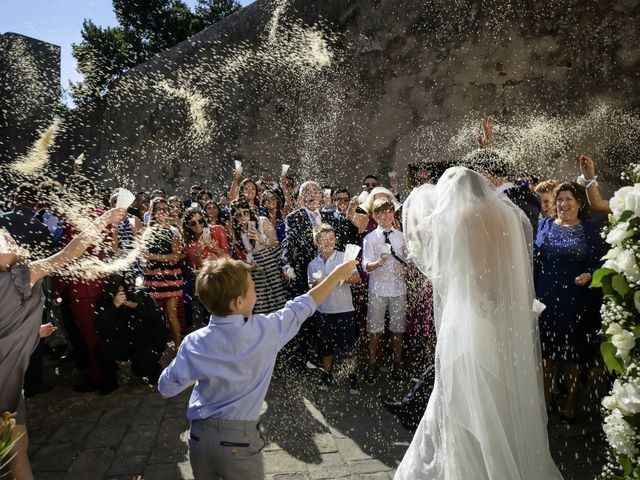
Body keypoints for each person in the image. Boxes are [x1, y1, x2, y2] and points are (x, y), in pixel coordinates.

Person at [396, 166, 562, 479]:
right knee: (499, 387)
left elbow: (425, 240)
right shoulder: (507, 215)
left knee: (462, 387)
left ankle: (469, 464)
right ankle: (506, 456)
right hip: (502, 313)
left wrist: (419, 197)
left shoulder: (461, 216)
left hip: (470, 311)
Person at [158, 256, 358, 480]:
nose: (257, 293)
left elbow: (166, 387)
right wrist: (337, 275)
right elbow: (305, 305)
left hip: (198, 439)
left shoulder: (193, 342)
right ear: (238, 302)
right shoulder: (265, 330)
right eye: (252, 289)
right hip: (238, 442)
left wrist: (199, 367)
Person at [0, 208, 124, 480]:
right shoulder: (19, 276)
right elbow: (69, 253)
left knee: (14, 451)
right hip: (4, 389)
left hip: (7, 387)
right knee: (16, 453)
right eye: (5, 239)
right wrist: (105, 219)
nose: (11, 239)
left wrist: (33, 332)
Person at [534, 182, 606, 423]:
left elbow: (601, 260)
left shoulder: (590, 228)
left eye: (569, 199)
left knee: (573, 352)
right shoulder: (544, 224)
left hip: (577, 295)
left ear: (579, 203)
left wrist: (590, 274)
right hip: (546, 295)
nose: (563, 204)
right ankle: (545, 399)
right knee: (546, 351)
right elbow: (535, 258)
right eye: (560, 200)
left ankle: (571, 402)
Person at [307, 224, 361, 394]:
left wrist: (338, 278)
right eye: (324, 239)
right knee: (326, 346)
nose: (329, 242)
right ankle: (327, 374)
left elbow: (357, 278)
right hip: (323, 311)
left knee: (348, 347)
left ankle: (352, 378)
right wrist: (314, 285)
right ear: (316, 242)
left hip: (345, 310)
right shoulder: (312, 264)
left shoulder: (344, 257)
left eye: (332, 238)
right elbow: (310, 288)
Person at [362, 198, 409, 384]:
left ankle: (397, 364)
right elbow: (365, 265)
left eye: (390, 212)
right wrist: (378, 262)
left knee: (398, 329)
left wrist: (408, 268)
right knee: (374, 330)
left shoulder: (401, 236)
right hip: (378, 290)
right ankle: (372, 364)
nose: (387, 216)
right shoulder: (370, 238)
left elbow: (409, 259)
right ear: (375, 216)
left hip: (398, 289)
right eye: (382, 213)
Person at [96, 275, 168, 395]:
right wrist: (114, 307)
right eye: (117, 293)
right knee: (103, 348)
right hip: (126, 342)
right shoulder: (108, 302)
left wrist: (136, 306)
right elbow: (102, 327)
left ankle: (154, 370)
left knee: (140, 369)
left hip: (148, 342)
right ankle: (110, 382)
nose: (121, 295)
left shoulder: (140, 296)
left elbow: (156, 317)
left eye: (123, 292)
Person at [229, 200, 287, 314]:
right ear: (234, 217)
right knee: (261, 303)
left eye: (245, 212)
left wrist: (260, 238)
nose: (243, 217)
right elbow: (240, 253)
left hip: (270, 262)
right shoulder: (236, 231)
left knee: (279, 298)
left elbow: (275, 242)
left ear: (250, 212)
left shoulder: (261, 221)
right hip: (254, 268)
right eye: (238, 215)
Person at [142, 197, 184, 348]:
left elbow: (176, 257)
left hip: (170, 275)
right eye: (158, 209)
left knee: (172, 316)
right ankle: (156, 346)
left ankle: (179, 348)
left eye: (165, 209)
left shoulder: (173, 230)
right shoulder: (147, 232)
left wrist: (152, 257)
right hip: (152, 275)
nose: (162, 212)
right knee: (153, 316)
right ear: (152, 212)